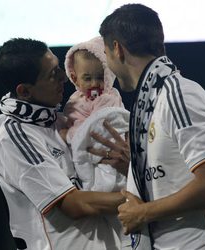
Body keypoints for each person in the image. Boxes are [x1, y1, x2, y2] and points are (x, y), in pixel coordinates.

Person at [88, 3, 205, 250]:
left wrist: (143, 213)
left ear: (118, 49)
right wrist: (136, 169)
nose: (108, 66)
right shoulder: (152, 101)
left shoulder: (178, 95)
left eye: (106, 55)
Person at [0, 38, 130, 250]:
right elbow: (74, 205)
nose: (64, 79)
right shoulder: (14, 137)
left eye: (59, 68)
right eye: (52, 75)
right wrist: (142, 199)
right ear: (24, 91)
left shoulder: (63, 120)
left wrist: (128, 165)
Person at [62, 36, 131, 249]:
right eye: (87, 78)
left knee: (110, 183)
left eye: (100, 77)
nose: (94, 84)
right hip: (88, 160)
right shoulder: (74, 102)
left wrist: (71, 135)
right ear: (75, 78)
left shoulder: (108, 97)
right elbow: (75, 123)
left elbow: (104, 124)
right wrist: (72, 132)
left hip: (110, 156)